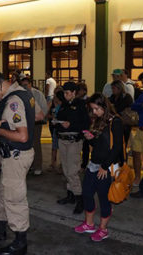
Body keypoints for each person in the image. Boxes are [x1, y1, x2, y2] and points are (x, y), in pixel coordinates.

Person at [0, 70, 35, 255]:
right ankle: (0, 229)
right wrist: (7, 124)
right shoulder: (25, 94)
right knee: (4, 192)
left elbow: (22, 135)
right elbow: (39, 116)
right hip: (14, 155)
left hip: (16, 156)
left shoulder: (13, 101)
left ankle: (20, 242)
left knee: (14, 198)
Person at [74, 93, 123, 242]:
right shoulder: (98, 121)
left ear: (104, 106)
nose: (94, 112)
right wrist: (91, 139)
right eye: (92, 109)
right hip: (94, 163)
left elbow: (116, 148)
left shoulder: (115, 122)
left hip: (106, 167)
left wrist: (105, 166)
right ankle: (89, 224)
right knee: (87, 192)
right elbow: (98, 145)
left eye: (96, 109)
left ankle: (103, 229)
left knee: (104, 198)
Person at [55, 82, 90, 214]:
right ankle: (70, 195)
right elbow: (58, 120)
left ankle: (80, 199)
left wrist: (70, 125)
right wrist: (58, 124)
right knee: (65, 169)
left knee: (72, 171)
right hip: (62, 140)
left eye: (67, 93)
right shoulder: (64, 105)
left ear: (74, 93)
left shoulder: (80, 105)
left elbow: (86, 123)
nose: (65, 95)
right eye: (64, 93)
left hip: (73, 141)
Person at [20, 77, 48, 175]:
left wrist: (39, 118)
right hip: (25, 123)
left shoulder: (37, 94)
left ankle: (37, 166)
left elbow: (44, 108)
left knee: (36, 144)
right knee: (27, 145)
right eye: (22, 85)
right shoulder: (20, 94)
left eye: (26, 85)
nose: (24, 87)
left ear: (30, 84)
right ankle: (29, 165)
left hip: (36, 123)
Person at [47, 87, 63, 173]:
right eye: (56, 93)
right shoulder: (51, 102)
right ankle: (53, 163)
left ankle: (61, 164)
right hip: (53, 127)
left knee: (62, 146)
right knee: (54, 146)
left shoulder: (64, 103)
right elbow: (46, 114)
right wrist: (52, 117)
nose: (57, 95)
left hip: (61, 127)